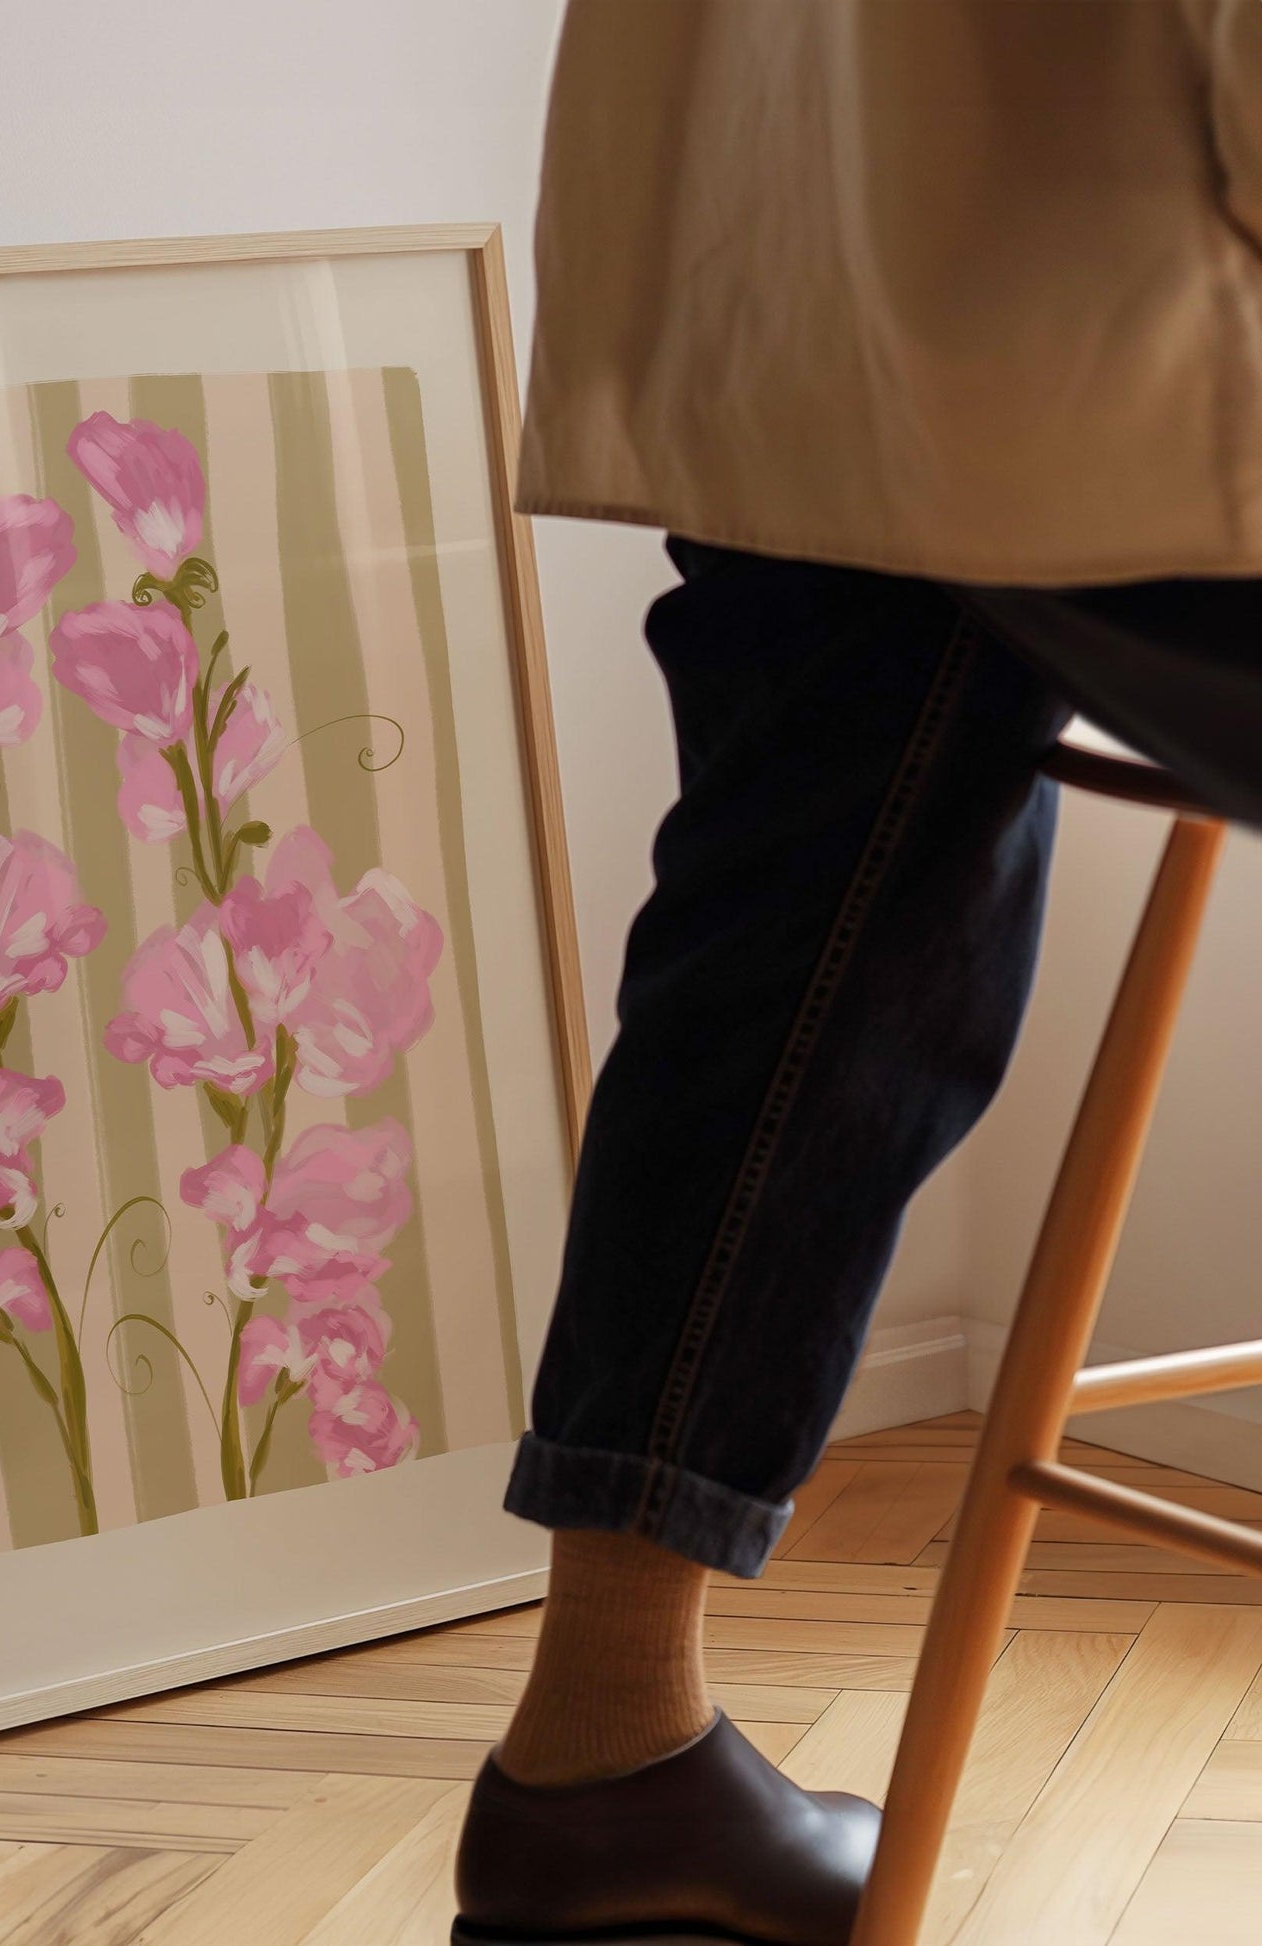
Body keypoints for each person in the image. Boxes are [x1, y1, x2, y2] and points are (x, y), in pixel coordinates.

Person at [451, 6, 1262, 1943]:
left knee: (803, 871)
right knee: (821, 836)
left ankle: (605, 1748)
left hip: (816, 297)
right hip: (1163, 377)